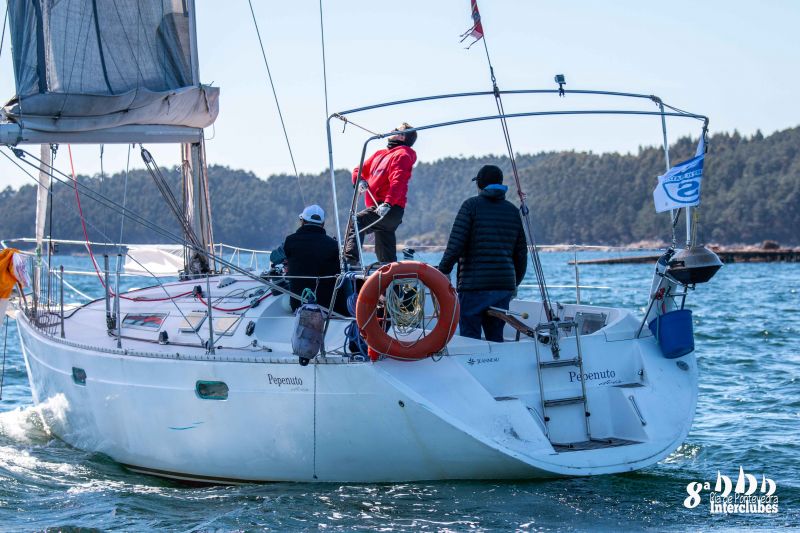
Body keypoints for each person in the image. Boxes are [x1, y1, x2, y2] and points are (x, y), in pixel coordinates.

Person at [437, 165, 527, 342]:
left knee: (470, 339)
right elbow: (521, 254)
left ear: (479, 184)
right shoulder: (512, 211)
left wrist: (443, 271)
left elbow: (455, 245)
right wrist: (514, 283)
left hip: (473, 288)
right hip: (502, 287)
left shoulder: (471, 206)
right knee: (496, 338)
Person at [344, 122, 418, 265]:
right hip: (381, 209)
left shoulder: (402, 155)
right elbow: (358, 170)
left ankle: (350, 261)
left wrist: (388, 203)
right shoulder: (379, 154)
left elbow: (398, 181)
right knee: (386, 257)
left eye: (396, 129)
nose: (392, 129)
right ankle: (391, 274)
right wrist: (359, 180)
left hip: (389, 209)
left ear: (402, 137)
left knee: (357, 221)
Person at [282, 205, 348, 314]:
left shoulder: (290, 241)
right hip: (327, 308)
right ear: (323, 224)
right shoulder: (333, 245)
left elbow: (276, 258)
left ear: (302, 221)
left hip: (297, 305)